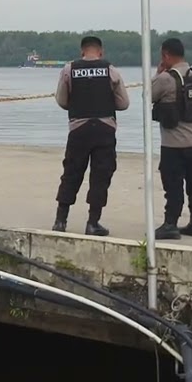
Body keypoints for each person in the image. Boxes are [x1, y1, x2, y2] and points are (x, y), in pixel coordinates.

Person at [52, 35, 131, 236]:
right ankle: (93, 222)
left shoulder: (69, 70)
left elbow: (61, 100)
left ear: (82, 51)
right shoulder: (110, 70)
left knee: (71, 173)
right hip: (104, 129)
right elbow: (123, 103)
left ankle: (61, 220)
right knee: (100, 176)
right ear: (101, 51)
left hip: (78, 129)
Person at [150, 37, 192, 239]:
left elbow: (146, 97)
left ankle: (170, 224)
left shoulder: (165, 79)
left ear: (165, 55)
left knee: (173, 186)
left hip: (173, 144)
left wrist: (157, 74)